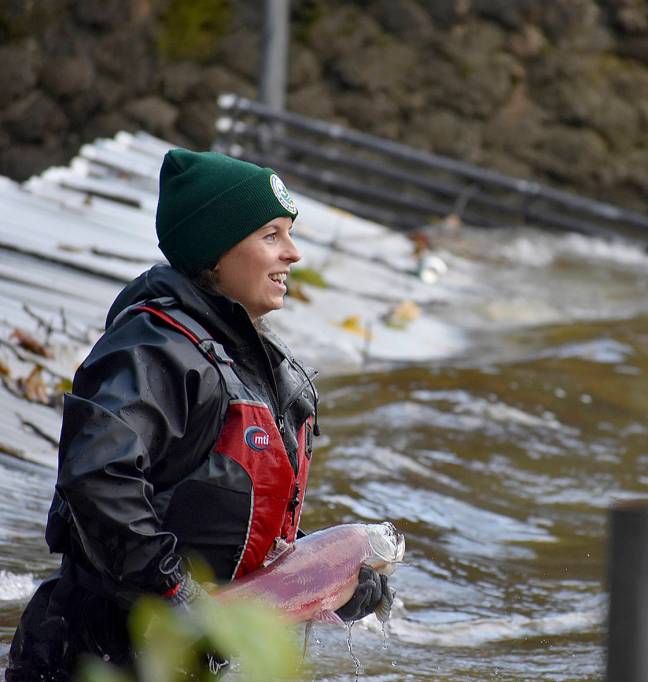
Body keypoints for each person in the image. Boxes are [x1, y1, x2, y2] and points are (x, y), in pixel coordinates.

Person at [6, 150, 389, 680]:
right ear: (217, 252)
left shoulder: (257, 364)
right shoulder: (152, 348)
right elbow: (96, 477)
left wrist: (328, 587)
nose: (294, 254)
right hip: (100, 653)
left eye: (290, 234)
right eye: (271, 236)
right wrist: (175, 590)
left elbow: (224, 524)